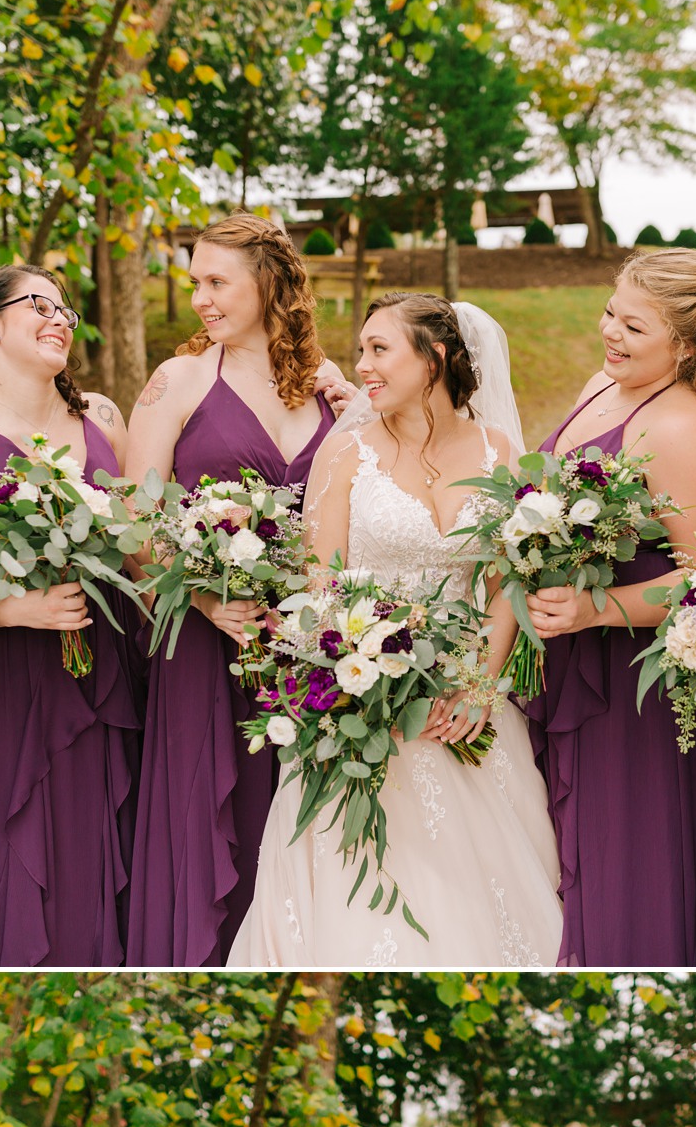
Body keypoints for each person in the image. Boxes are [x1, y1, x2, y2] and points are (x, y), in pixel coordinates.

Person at [228, 291, 563, 968]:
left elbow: (507, 585)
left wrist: (476, 690)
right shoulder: (347, 453)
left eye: (380, 349)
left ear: (434, 357)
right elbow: (320, 588)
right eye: (362, 352)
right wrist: (359, 679)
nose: (363, 367)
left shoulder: (499, 451)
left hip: (465, 705)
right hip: (362, 705)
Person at [124, 215, 345, 965]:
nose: (202, 300)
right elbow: (135, 517)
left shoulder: (326, 383)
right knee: (208, 814)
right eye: (195, 283)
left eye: (218, 282)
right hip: (203, 638)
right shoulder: (179, 379)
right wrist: (202, 598)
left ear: (270, 284)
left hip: (305, 650)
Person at [525, 249, 696, 967]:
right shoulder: (603, 387)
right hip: (564, 657)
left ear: (684, 345)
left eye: (633, 327)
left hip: (633, 689)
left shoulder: (685, 431)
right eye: (610, 314)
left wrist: (597, 608)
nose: (610, 334)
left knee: (625, 867)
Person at [0, 264, 140, 966]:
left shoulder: (102, 416)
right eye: (40, 305)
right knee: (23, 848)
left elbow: (138, 537)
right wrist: (18, 608)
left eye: (66, 308)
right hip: (13, 680)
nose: (61, 318)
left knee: (111, 829)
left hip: (110, 661)